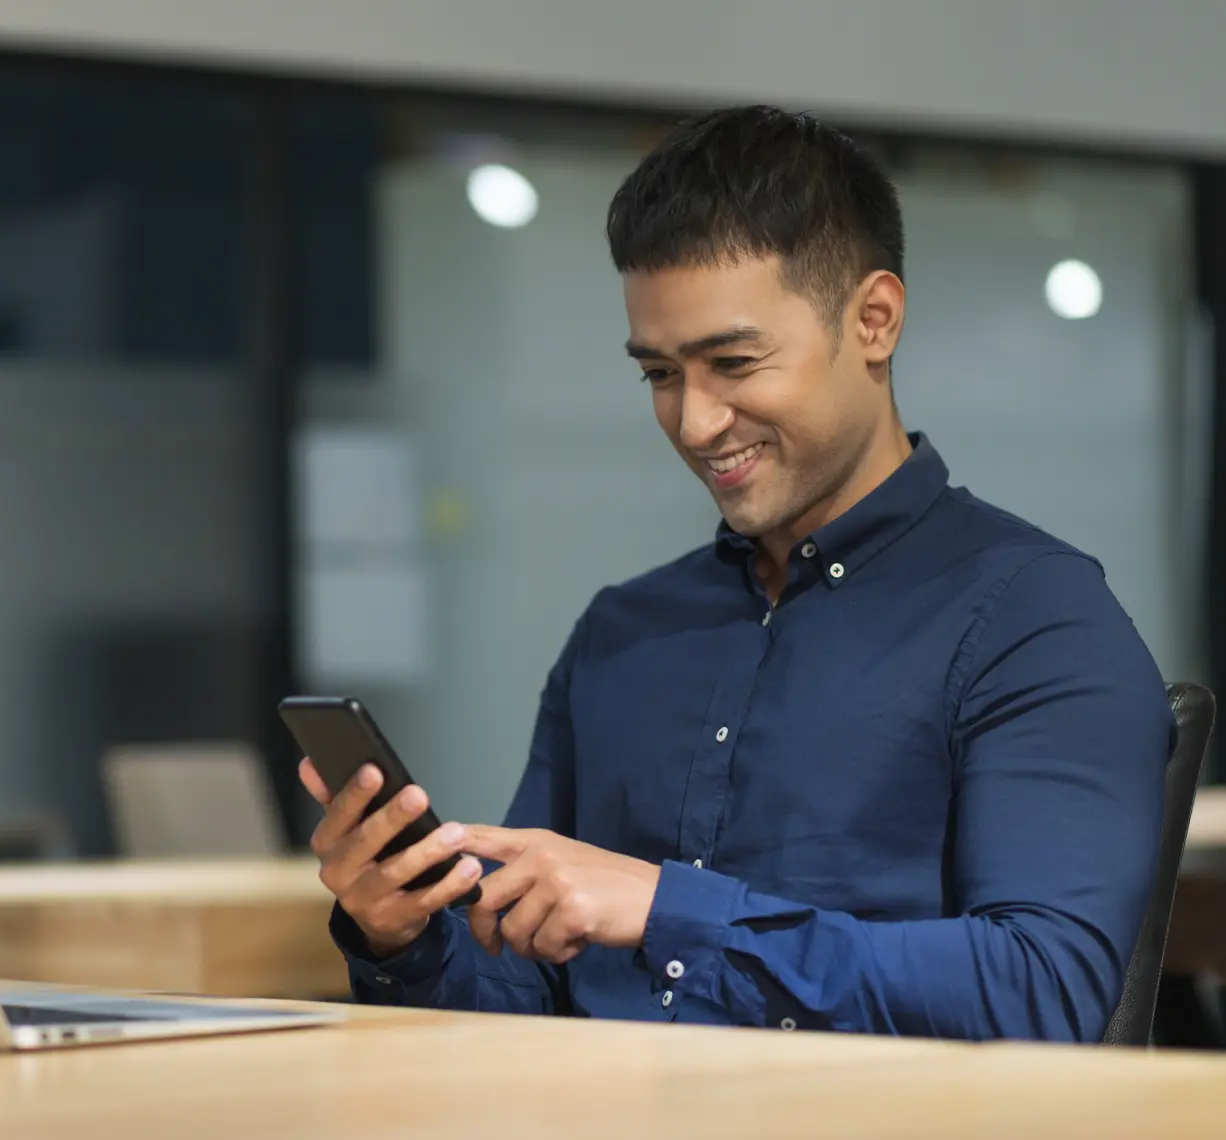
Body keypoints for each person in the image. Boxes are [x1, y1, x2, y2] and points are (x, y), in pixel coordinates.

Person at [298, 105, 1174, 1041]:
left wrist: (668, 910)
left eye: (734, 362)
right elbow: (531, 991)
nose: (695, 422)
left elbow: (1043, 993)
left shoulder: (1033, 616)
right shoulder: (622, 633)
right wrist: (403, 940)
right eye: (660, 375)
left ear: (873, 320)